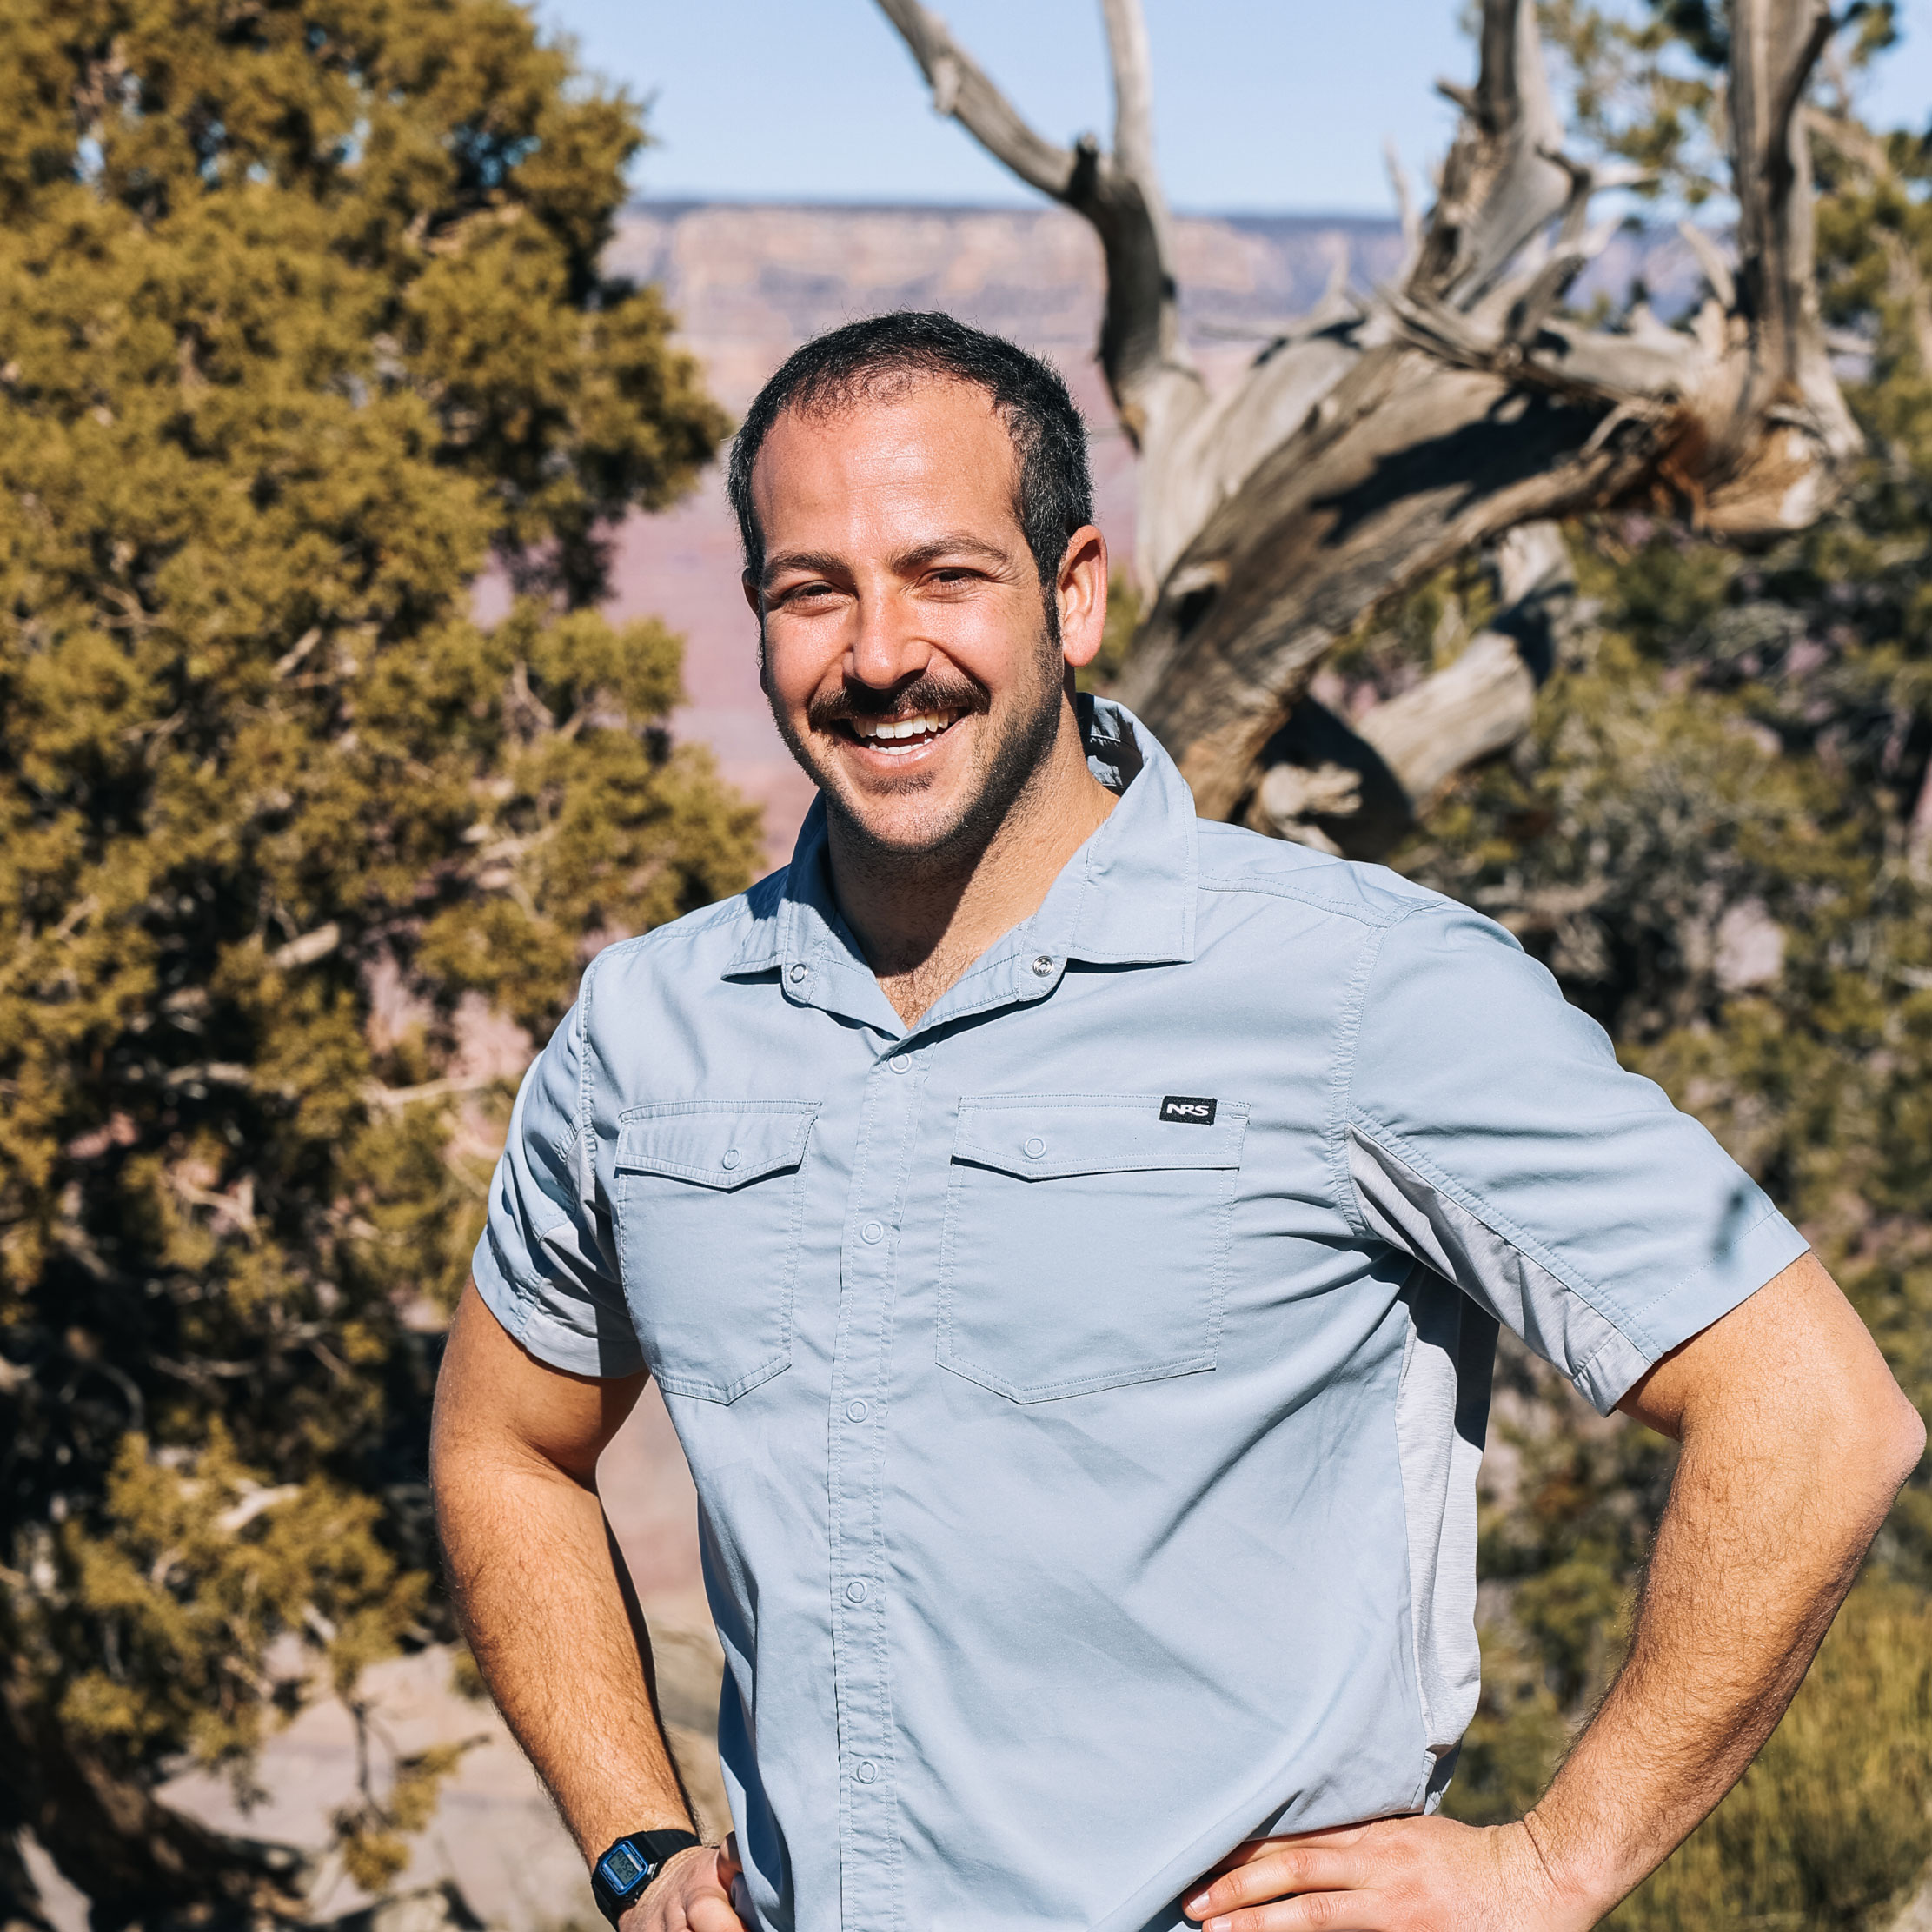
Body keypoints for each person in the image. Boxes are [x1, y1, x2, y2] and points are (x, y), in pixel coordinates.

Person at [429, 311, 1924, 1932]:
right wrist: (638, 1851)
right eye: (814, 592)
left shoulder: (1358, 987)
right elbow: (506, 1447)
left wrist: (1553, 1866)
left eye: (945, 575)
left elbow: (1812, 1409)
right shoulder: (647, 1031)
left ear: (1074, 592)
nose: (878, 654)